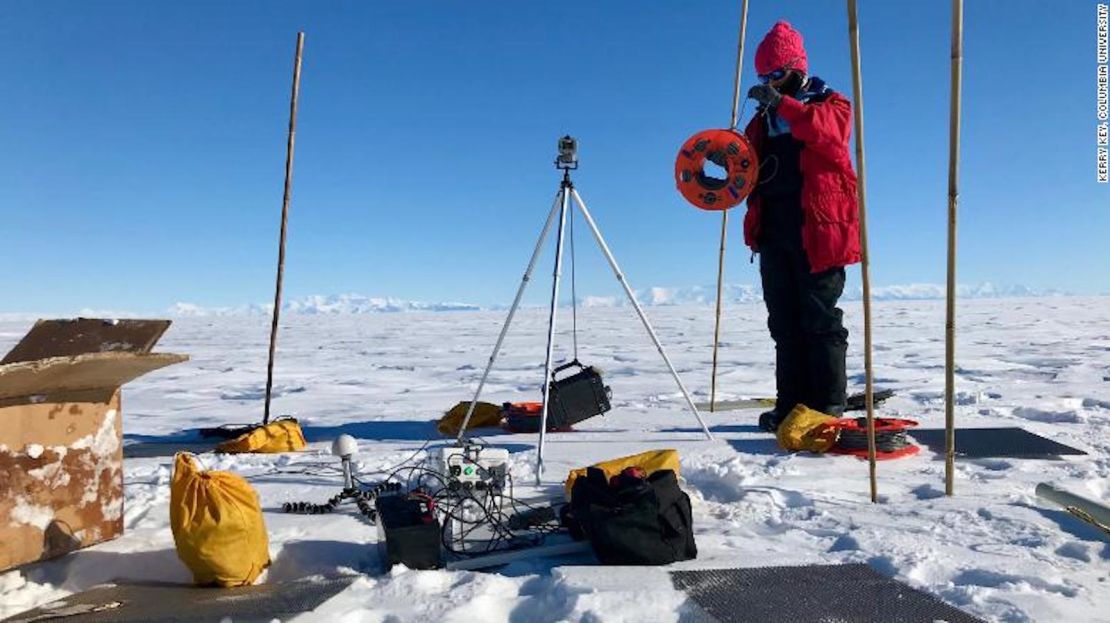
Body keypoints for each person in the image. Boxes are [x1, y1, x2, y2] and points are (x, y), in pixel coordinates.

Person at [741, 21, 861, 432]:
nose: (770, 84)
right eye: (763, 78)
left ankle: (827, 405)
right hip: (773, 230)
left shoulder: (831, 104)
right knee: (784, 322)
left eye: (776, 75)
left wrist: (783, 105)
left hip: (820, 232)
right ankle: (790, 405)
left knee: (820, 318)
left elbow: (829, 135)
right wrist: (728, 160)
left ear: (795, 68)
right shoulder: (760, 122)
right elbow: (746, 167)